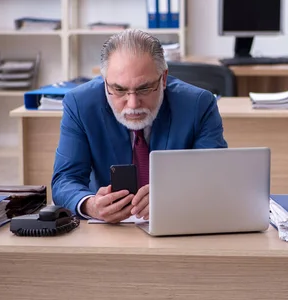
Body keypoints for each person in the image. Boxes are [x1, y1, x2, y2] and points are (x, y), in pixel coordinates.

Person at [51, 29, 227, 223]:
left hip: (178, 226)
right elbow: (64, 180)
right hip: (110, 231)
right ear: (105, 82)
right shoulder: (80, 104)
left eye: (144, 88)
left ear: (164, 78)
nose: (133, 104)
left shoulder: (198, 105)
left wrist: (177, 196)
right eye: (119, 89)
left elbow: (214, 176)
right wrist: (90, 205)